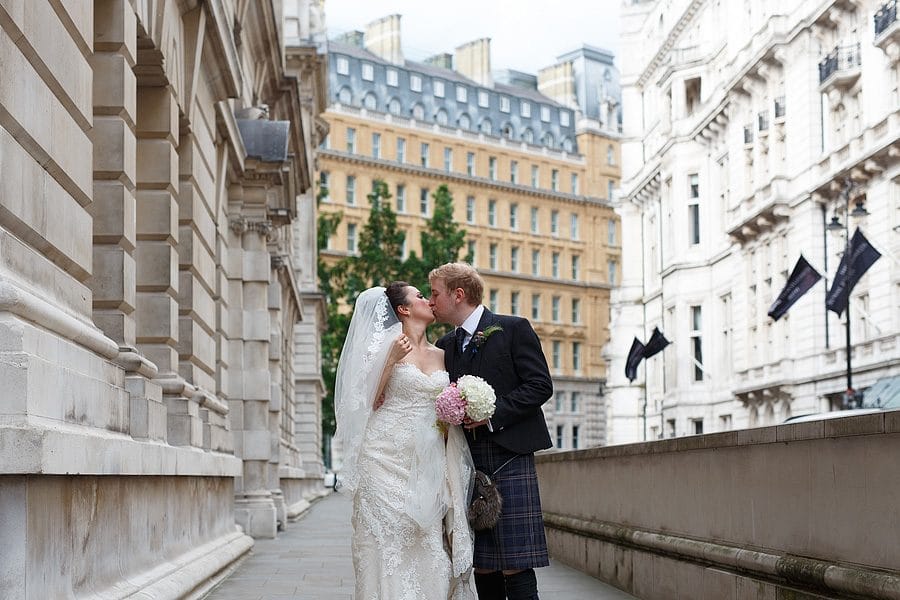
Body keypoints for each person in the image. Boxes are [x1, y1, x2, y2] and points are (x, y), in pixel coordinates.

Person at [334, 283, 475, 600]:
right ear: (404, 309)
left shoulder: (442, 353)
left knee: (428, 544)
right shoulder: (384, 346)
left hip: (426, 460)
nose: (428, 300)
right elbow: (358, 403)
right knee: (385, 544)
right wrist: (390, 359)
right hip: (382, 457)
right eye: (420, 297)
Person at [429, 263, 553, 600]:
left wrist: (492, 414)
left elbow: (540, 385)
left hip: (510, 455)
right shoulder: (445, 345)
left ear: (458, 294)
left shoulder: (513, 329)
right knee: (481, 562)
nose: (431, 301)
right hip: (467, 461)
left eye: (435, 293)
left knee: (515, 561)